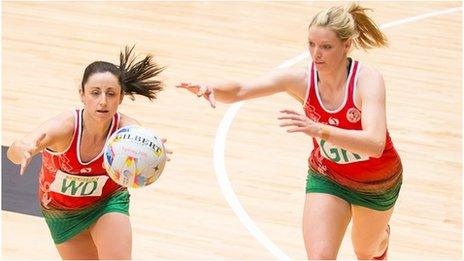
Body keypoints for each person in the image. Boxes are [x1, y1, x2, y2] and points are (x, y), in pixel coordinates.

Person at [177, 3, 402, 260]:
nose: (316, 54)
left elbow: (374, 143)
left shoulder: (367, 80)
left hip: (376, 182)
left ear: (347, 45)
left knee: (366, 252)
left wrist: (320, 129)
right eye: (311, 44)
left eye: (326, 46)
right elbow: (241, 89)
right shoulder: (301, 80)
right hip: (329, 175)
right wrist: (212, 87)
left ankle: (381, 237)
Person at [7, 45, 172, 260]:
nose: (103, 101)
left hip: (107, 202)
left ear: (120, 98)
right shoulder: (64, 127)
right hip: (61, 212)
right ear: (82, 95)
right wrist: (22, 149)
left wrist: (151, 153)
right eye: (95, 93)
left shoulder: (127, 132)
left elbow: (141, 158)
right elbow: (15, 150)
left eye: (111, 94)